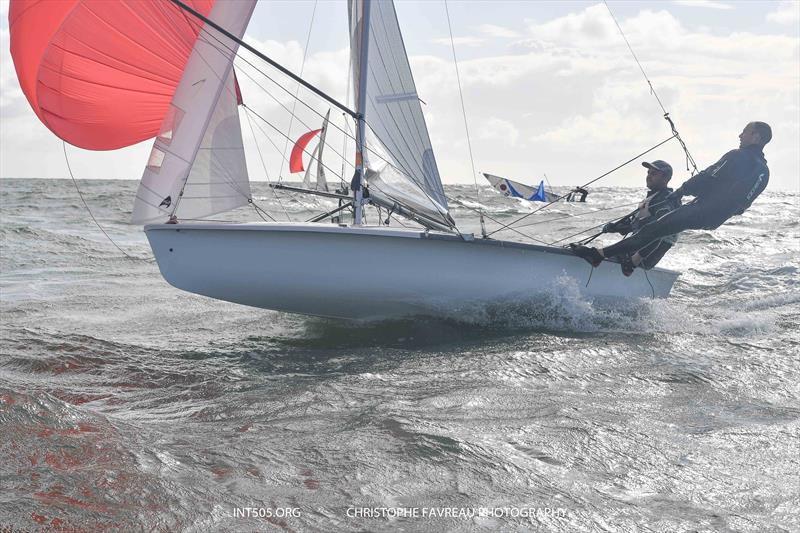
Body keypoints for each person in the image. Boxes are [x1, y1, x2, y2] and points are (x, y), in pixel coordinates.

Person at [571, 121, 771, 269]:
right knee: (658, 229)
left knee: (652, 230)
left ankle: (599, 255)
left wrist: (682, 192)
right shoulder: (764, 173)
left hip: (700, 210)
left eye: (745, 131)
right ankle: (627, 260)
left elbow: (707, 176)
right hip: (715, 219)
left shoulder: (737, 156)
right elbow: (742, 207)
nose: (740, 135)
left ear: (756, 137)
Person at [593, 159, 679, 276]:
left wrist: (635, 259)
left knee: (596, 253)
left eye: (653, 174)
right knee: (603, 251)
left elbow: (661, 226)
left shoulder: (665, 200)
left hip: (642, 259)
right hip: (633, 252)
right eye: (648, 173)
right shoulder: (654, 197)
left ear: (666, 179)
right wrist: (615, 227)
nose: (648, 176)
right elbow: (637, 224)